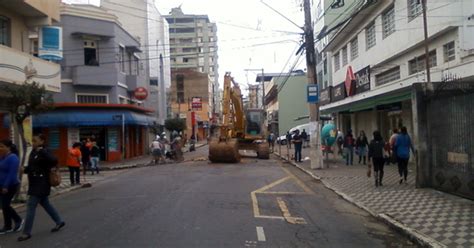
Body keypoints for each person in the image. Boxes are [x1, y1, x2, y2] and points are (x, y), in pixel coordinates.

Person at [18, 134, 65, 241]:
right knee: (45, 203)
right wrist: (24, 169)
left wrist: (42, 151)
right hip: (34, 182)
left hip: (42, 183)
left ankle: (26, 232)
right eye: (32, 141)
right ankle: (59, 221)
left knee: (30, 206)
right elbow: (33, 167)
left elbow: (54, 161)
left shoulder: (45, 151)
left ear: (42, 141)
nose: (33, 143)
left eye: (35, 141)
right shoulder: (33, 152)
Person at [0, 140, 23, 234]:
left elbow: (12, 174)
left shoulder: (13, 158)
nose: (0, 148)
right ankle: (8, 226)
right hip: (1, 185)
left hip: (10, 185)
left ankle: (17, 220)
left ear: (8, 147)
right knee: (4, 205)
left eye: (2, 146)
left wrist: (5, 186)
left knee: (5, 205)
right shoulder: (2, 157)